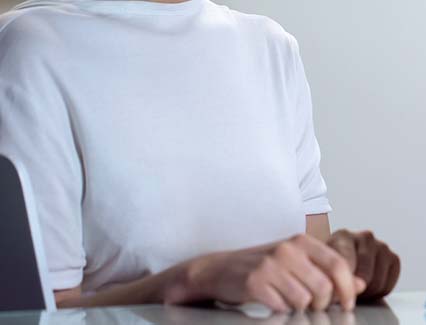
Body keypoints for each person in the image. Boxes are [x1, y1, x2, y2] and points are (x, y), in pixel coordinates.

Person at [0, 0, 399, 312]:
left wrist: (349, 271)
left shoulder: (271, 45)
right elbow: (35, 314)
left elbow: (312, 263)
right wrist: (191, 280)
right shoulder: (33, 47)